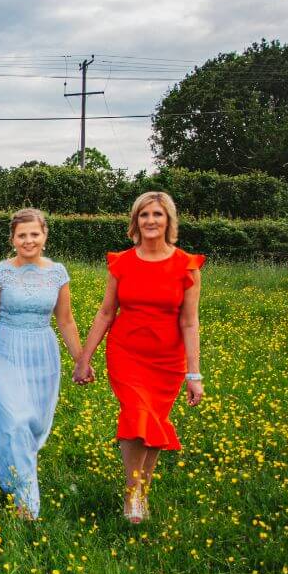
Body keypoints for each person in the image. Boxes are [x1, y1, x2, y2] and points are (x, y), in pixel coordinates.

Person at [74, 191, 204, 523]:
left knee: (153, 423)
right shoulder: (122, 263)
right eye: (144, 215)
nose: (150, 221)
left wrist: (194, 373)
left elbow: (190, 322)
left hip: (167, 360)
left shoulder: (186, 266)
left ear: (168, 221)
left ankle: (141, 492)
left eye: (157, 215)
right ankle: (132, 495)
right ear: (136, 221)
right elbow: (105, 313)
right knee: (136, 417)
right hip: (126, 353)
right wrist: (84, 358)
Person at [0, 208, 85, 518]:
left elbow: (65, 321)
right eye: (22, 235)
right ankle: (27, 502)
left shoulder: (57, 273)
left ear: (45, 236)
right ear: (13, 239)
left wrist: (81, 359)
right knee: (16, 421)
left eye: (34, 234)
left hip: (42, 352)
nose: (28, 240)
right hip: (5, 350)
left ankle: (7, 465)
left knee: (34, 425)